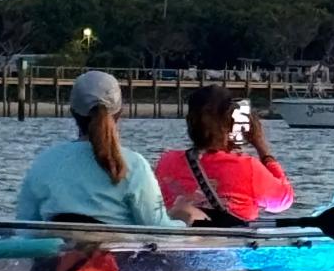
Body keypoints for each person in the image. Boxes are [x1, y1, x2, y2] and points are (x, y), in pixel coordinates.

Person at [16, 71, 202, 226]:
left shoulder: (44, 162)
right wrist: (184, 219)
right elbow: (157, 229)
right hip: (117, 269)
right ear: (120, 113)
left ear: (72, 112)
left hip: (51, 268)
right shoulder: (134, 165)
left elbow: (25, 229)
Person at [154, 85, 294, 226]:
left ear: (189, 121)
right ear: (231, 122)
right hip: (232, 244)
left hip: (178, 241)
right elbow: (283, 201)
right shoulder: (247, 167)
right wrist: (262, 148)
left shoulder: (166, 161)